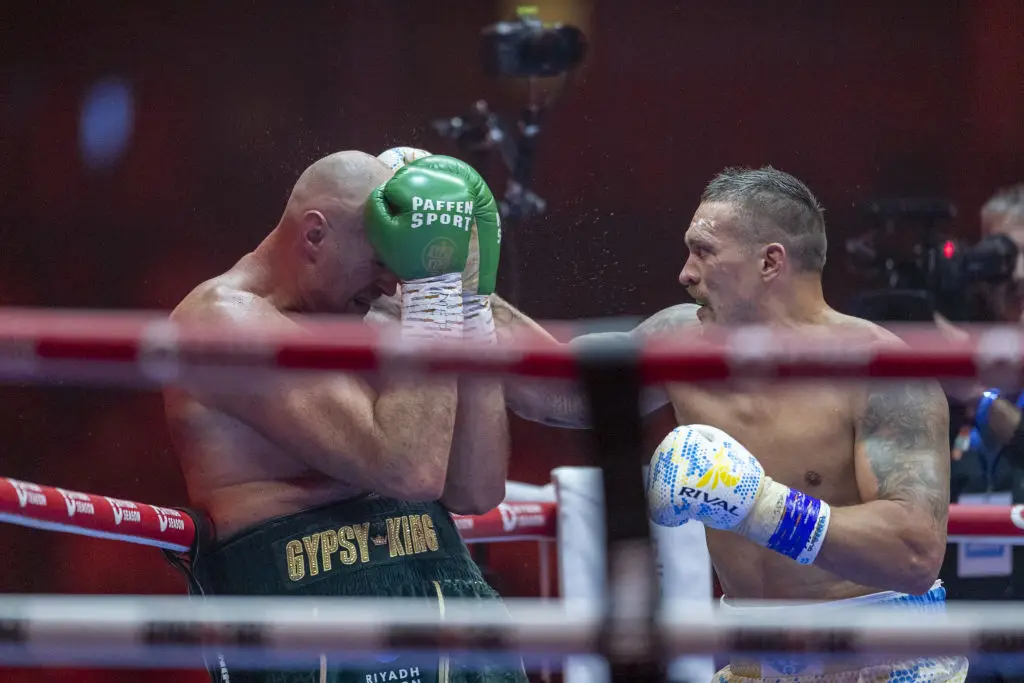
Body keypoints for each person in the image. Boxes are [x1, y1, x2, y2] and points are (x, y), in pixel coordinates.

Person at [504, 166, 968, 682]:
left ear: (770, 261)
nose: (685, 273)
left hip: (880, 655)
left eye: (704, 251)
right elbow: (550, 392)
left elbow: (914, 553)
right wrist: (455, 287)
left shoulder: (878, 369)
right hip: (752, 658)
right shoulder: (678, 342)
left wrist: (759, 506)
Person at [164, 148, 525, 683]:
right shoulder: (222, 322)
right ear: (314, 235)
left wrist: (468, 307)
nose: (391, 281)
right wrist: (432, 294)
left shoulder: (376, 313)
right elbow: (407, 470)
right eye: (382, 257)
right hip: (313, 604)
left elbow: (476, 489)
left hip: (447, 587)